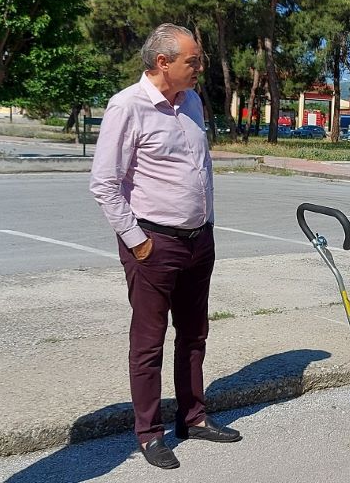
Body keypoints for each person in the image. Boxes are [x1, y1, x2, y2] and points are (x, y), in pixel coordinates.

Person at [90, 23, 241, 470]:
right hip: (154, 244)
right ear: (163, 62)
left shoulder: (191, 101)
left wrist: (207, 225)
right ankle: (149, 432)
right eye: (193, 61)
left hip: (198, 240)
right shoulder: (128, 107)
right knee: (149, 343)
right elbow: (104, 184)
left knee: (195, 335)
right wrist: (137, 243)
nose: (200, 69)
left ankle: (192, 417)